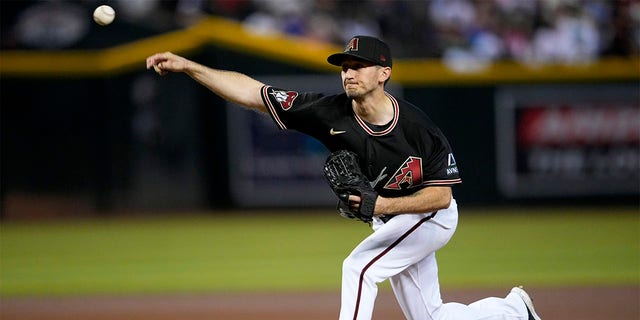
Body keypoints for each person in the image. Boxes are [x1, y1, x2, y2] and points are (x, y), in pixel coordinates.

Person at [146, 35, 542, 320]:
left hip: (431, 218)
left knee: (360, 267)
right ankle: (512, 310)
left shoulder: (419, 128)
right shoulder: (328, 112)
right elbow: (254, 93)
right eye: (344, 67)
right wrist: (190, 66)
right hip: (391, 218)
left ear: (383, 72)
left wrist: (380, 204)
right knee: (431, 316)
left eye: (358, 66)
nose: (348, 73)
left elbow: (440, 197)